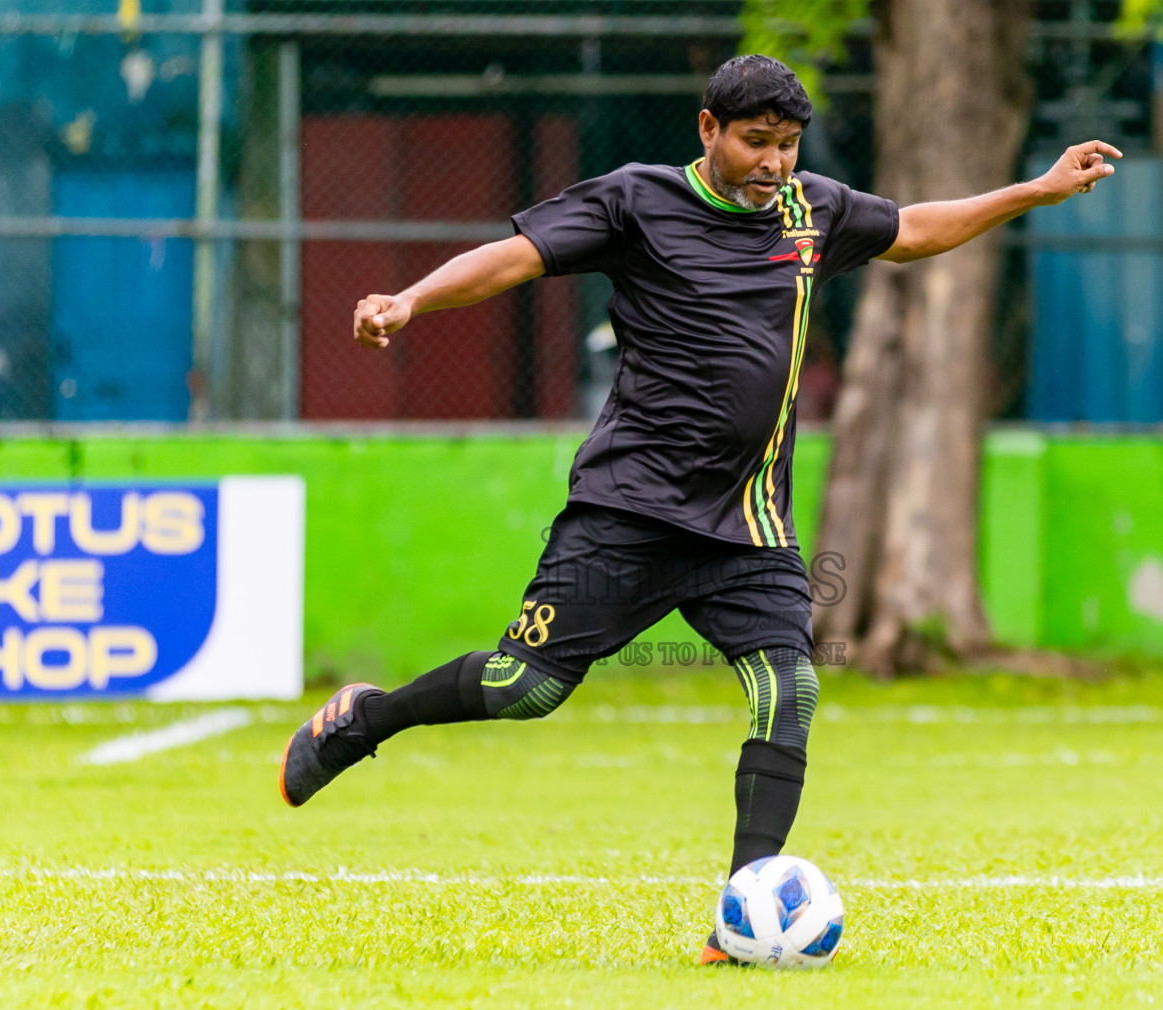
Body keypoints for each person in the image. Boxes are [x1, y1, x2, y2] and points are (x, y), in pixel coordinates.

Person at [277, 54, 1119, 964]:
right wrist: (411, 299)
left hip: (747, 525)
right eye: (757, 142)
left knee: (787, 688)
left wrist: (1033, 191)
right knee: (523, 690)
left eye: (789, 145)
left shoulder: (812, 211)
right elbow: (515, 259)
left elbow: (911, 229)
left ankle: (737, 918)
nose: (775, 164)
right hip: (627, 509)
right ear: (709, 130)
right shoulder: (634, 201)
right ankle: (362, 720)